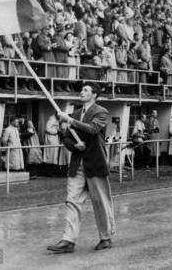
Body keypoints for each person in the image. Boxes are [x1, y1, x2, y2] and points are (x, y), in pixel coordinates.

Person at [47, 84, 115, 254]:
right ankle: (68, 240)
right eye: (81, 90)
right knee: (72, 201)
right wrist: (74, 145)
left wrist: (69, 120)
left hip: (95, 163)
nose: (82, 92)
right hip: (77, 164)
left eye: (86, 90)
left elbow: (93, 130)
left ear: (95, 94)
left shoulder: (101, 112)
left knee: (100, 201)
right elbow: (66, 138)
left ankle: (106, 237)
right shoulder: (76, 114)